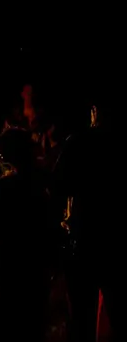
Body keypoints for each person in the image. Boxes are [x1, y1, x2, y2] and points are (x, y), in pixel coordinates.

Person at [0, 128, 57, 342]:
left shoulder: (8, 186)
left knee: (4, 326)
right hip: (33, 271)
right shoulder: (40, 185)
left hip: (8, 270)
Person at [54, 98, 123, 342]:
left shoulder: (80, 143)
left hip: (84, 240)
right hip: (116, 241)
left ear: (96, 112)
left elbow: (58, 186)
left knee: (81, 316)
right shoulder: (120, 145)